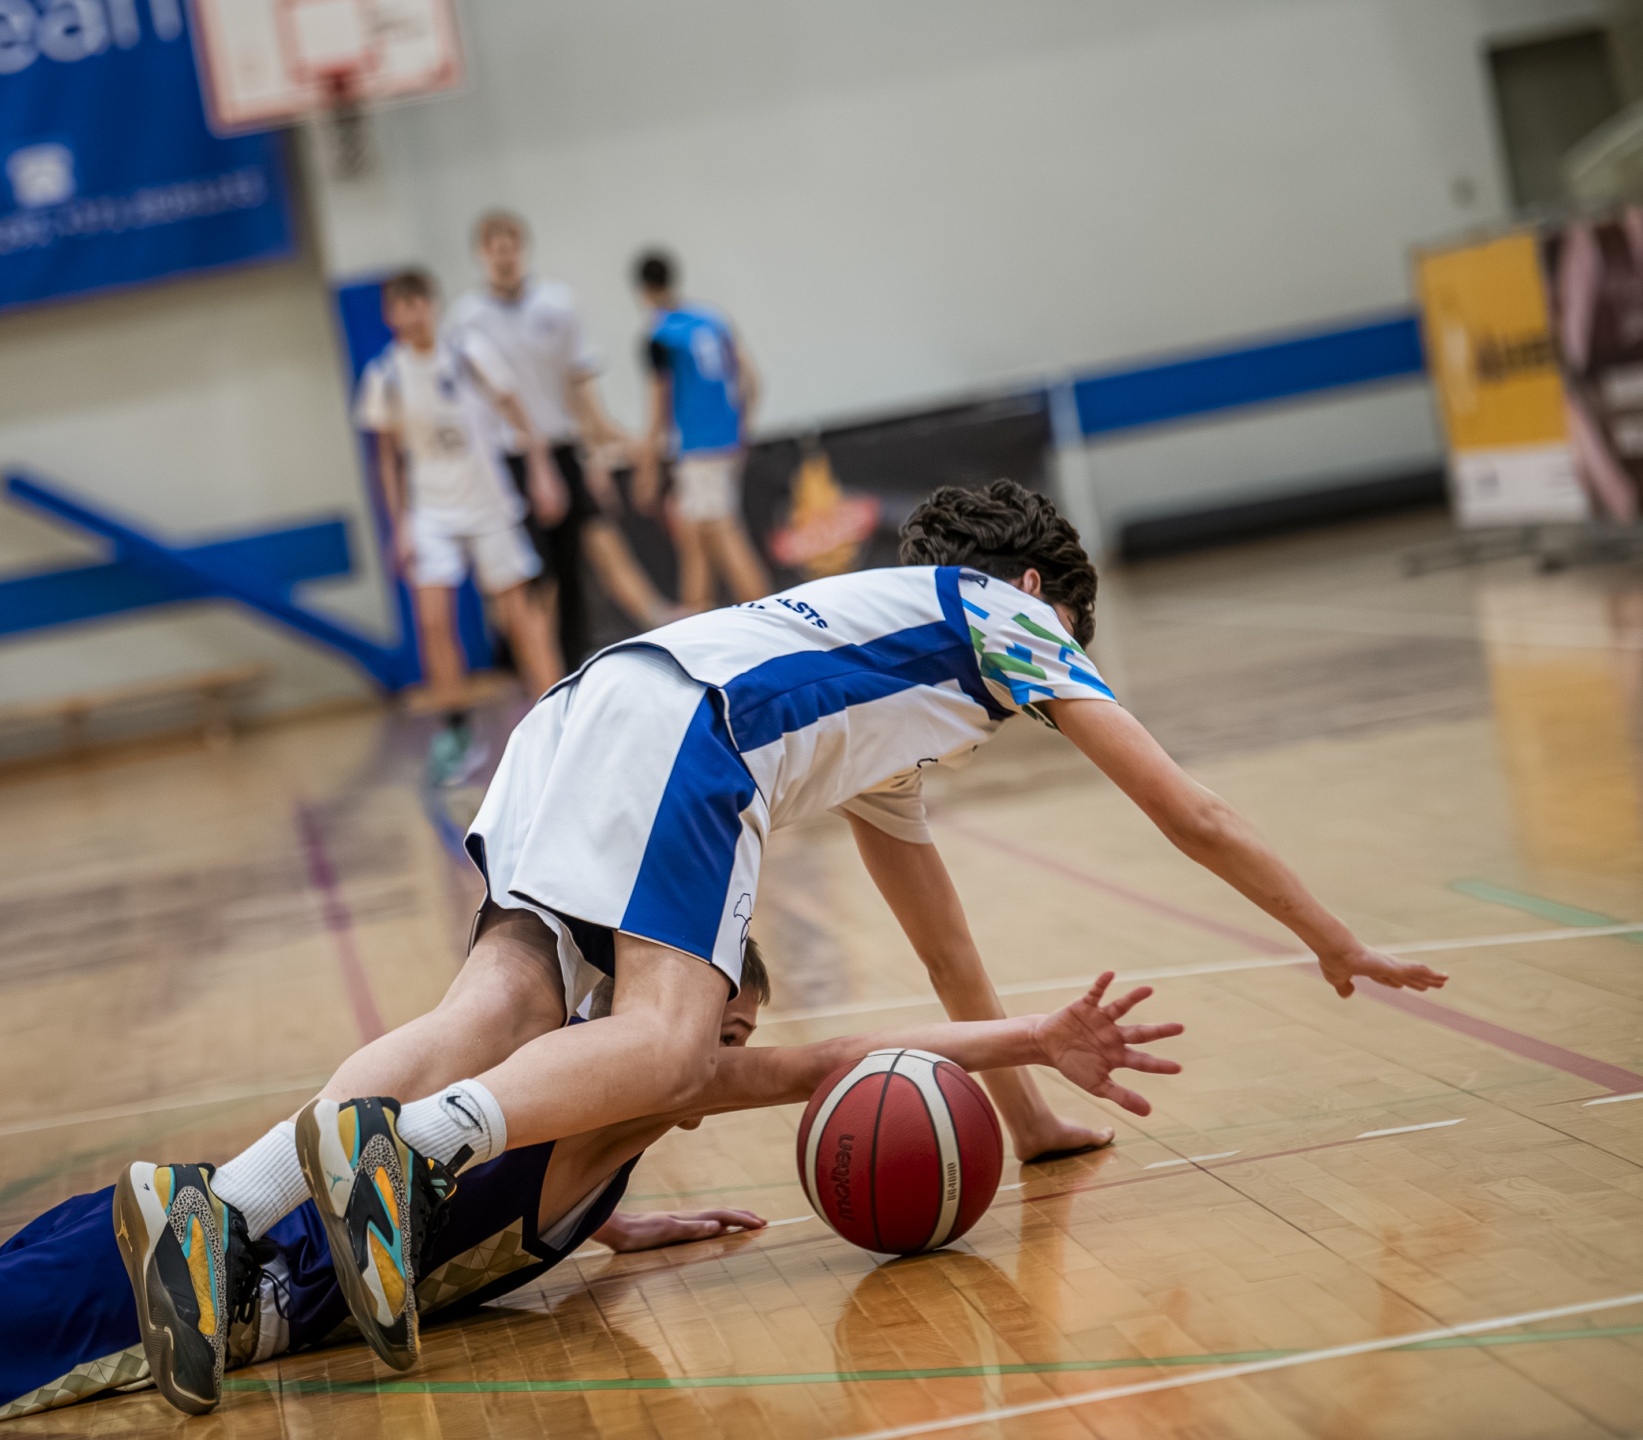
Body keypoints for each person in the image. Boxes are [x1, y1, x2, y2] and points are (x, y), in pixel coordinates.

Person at [262, 477, 1447, 1373]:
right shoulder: (1007, 617)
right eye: (1074, 638)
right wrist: (1332, 939)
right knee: (673, 1045)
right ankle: (414, 1151)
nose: (1067, 672)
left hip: (583, 708)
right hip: (692, 726)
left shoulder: (880, 698)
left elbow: (944, 948)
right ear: (1041, 593)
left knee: (494, 1007)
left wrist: (1030, 1121)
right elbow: (1191, 812)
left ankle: (234, 1206)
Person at [0, 949, 1183, 1424]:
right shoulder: (636, 1082)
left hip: (166, 1239)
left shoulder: (590, 1134)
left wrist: (608, 1236)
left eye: (724, 1036)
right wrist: (1028, 1036)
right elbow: (843, 1062)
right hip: (146, 1292)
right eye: (709, 1034)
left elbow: (497, 1212)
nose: (713, 1064)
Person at [360, 269, 568, 784]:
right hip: (431, 511)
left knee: (519, 615)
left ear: (432, 304)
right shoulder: (385, 376)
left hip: (489, 502)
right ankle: (456, 732)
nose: (411, 314)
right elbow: (387, 459)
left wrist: (541, 469)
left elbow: (518, 411)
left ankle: (558, 721)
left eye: (418, 302)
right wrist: (398, 526)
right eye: (401, 305)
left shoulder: (469, 352)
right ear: (389, 314)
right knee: (433, 619)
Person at [447, 211, 680, 670]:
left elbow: (580, 387)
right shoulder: (466, 320)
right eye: (496, 248)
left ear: (523, 248)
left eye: (512, 245)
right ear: (482, 254)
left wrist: (597, 451)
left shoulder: (556, 304)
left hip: (562, 447)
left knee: (586, 555)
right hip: (509, 458)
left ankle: (638, 631)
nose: (505, 256)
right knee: (536, 578)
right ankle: (539, 676)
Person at [632, 250, 773, 610]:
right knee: (692, 533)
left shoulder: (660, 336)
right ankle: (695, 614)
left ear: (642, 289)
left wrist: (647, 465)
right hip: (726, 441)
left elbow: (659, 406)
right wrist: (741, 430)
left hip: (697, 447)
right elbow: (751, 380)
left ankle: (770, 612)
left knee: (722, 530)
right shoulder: (712, 320)